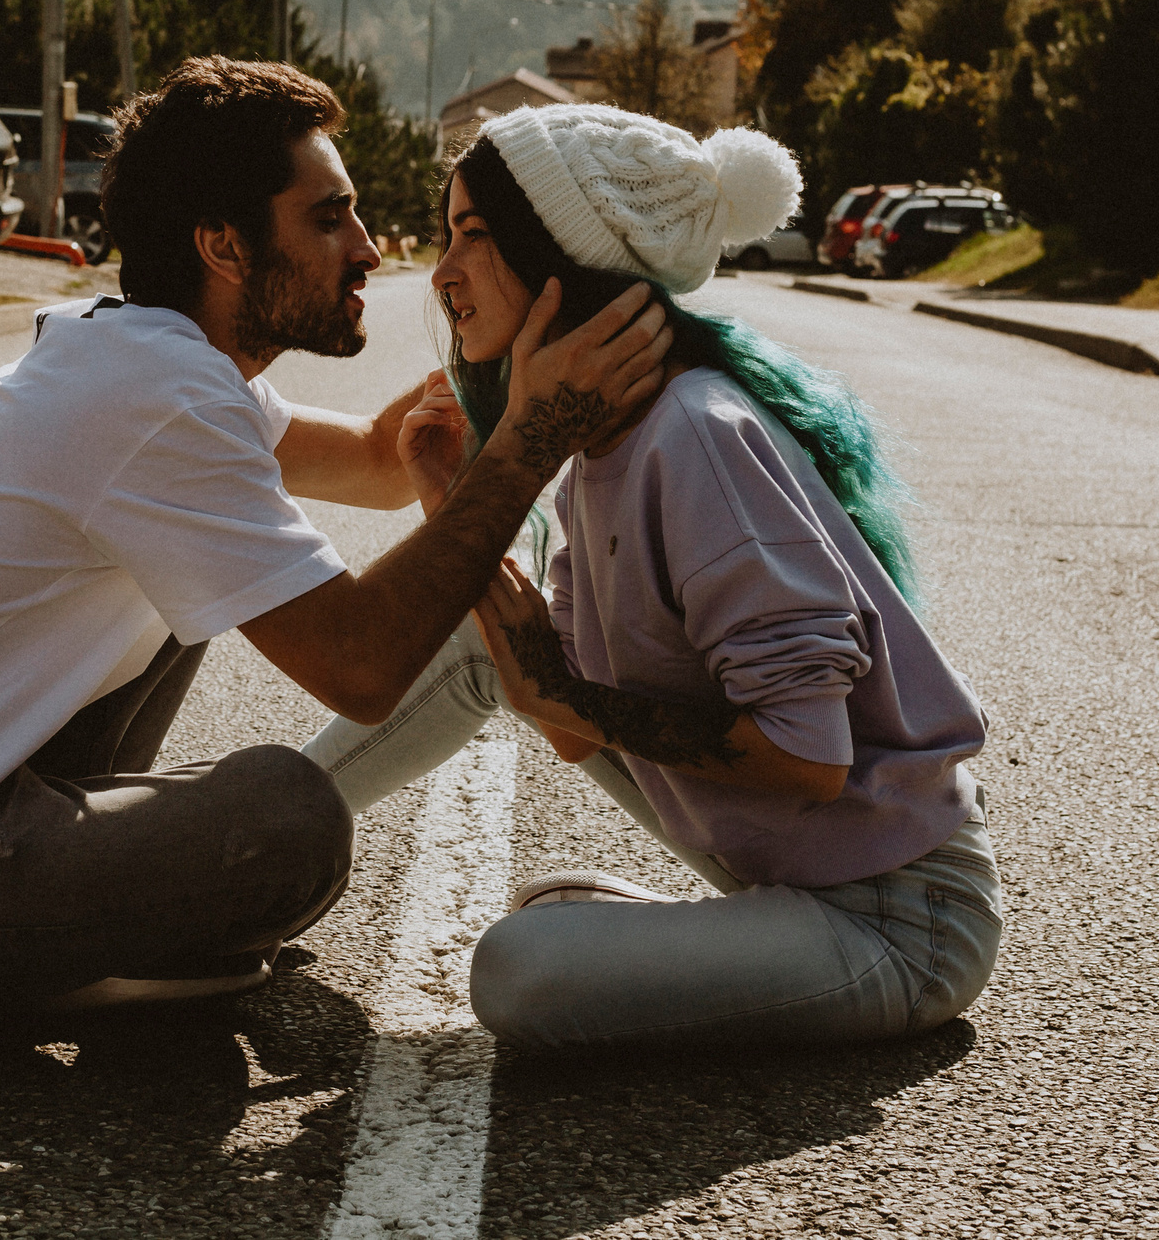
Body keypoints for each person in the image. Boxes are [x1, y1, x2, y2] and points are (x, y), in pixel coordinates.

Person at [0, 58, 673, 1044]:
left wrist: (503, 353)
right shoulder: (158, 402)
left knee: (206, 582)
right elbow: (360, 668)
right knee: (293, 821)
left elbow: (378, 461)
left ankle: (100, 940)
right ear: (224, 247)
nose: (367, 249)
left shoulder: (139, 357)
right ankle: (65, 977)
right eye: (328, 218)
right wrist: (534, 438)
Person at [303, 102, 1000, 1054]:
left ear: (561, 259)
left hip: (898, 921)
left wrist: (559, 687)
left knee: (518, 968)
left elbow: (809, 756)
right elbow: (560, 717)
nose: (443, 273)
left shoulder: (695, 435)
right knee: (485, 643)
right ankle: (249, 845)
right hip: (796, 871)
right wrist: (447, 503)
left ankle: (663, 941)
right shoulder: (605, 446)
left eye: (473, 237)